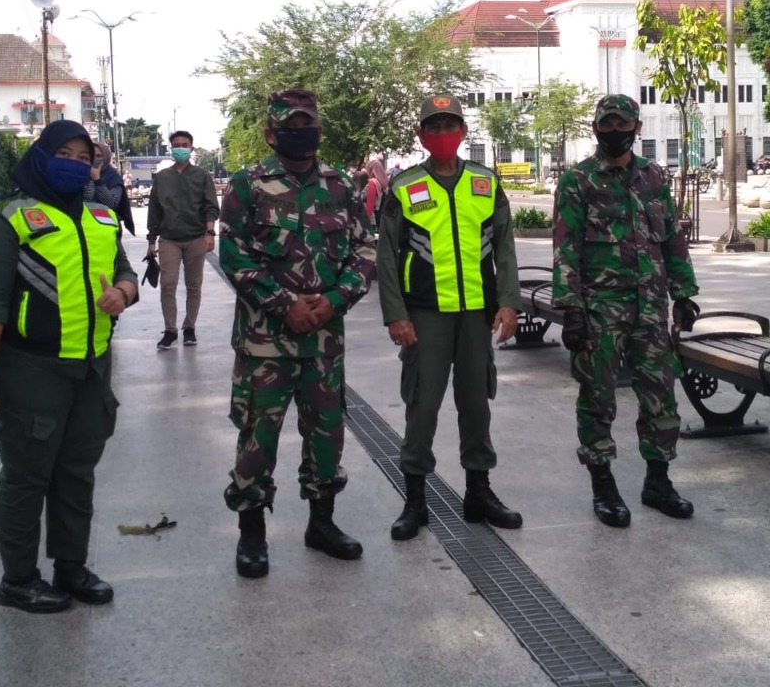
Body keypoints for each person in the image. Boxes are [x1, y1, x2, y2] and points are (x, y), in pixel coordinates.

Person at [0, 120, 138, 613]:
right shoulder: (8, 217)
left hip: (92, 366)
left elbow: (125, 270)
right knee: (27, 476)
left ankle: (71, 567)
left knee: (77, 472)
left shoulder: (102, 216)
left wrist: (123, 291)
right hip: (31, 370)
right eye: (66, 153)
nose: (76, 164)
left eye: (85, 158)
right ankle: (18, 579)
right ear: (41, 156)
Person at [218, 89, 376, 579]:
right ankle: (251, 534)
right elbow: (234, 256)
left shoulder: (341, 186)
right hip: (266, 341)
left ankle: (322, 524)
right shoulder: (247, 186)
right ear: (270, 134)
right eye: (290, 127)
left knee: (327, 434)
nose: (300, 133)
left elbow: (365, 249)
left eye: (307, 125)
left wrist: (333, 300)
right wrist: (285, 305)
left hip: (324, 340)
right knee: (258, 437)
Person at [551, 94, 700, 529]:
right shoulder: (579, 181)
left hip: (651, 308)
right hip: (600, 312)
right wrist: (571, 310)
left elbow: (672, 238)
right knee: (597, 398)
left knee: (660, 396)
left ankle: (658, 481)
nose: (613, 132)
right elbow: (566, 248)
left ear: (637, 129)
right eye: (606, 124)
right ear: (596, 129)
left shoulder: (654, 177)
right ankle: (603, 485)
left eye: (622, 125)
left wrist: (684, 292)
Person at [379, 95, 524, 541]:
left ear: (463, 132)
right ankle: (415, 499)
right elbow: (386, 254)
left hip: (477, 316)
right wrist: (396, 315)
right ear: (422, 135)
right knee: (422, 407)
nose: (443, 135)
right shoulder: (404, 187)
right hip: (425, 316)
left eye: (450, 126)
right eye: (434, 127)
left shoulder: (484, 183)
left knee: (476, 404)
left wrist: (509, 301)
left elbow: (503, 245)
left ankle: (478, 491)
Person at [146, 130, 220, 350]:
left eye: (184, 144)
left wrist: (210, 233)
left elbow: (211, 206)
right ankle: (170, 330)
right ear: (171, 148)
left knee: (193, 285)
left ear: (191, 148)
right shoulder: (162, 178)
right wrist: (151, 240)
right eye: (176, 144)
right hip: (169, 239)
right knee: (167, 284)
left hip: (196, 237)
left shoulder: (202, 176)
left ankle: (189, 327)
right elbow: (154, 210)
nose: (180, 148)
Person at [86, 141, 135, 235]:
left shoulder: (112, 177)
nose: (95, 158)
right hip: (86, 227)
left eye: (99, 155)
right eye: (91, 154)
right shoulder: (82, 174)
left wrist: (97, 180)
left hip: (107, 228)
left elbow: (111, 203)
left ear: (106, 157)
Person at [365, 157, 388, 225]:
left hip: (372, 219)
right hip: (380, 217)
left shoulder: (372, 182)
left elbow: (370, 204)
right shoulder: (382, 182)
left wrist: (365, 220)